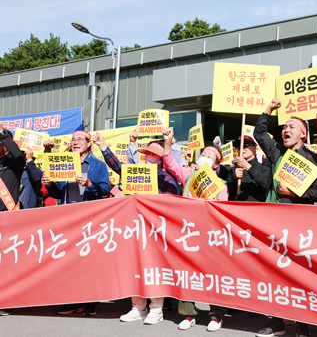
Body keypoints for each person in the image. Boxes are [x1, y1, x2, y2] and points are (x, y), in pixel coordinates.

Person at [254, 99, 317, 337]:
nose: (286, 130)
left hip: (297, 226)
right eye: (284, 127)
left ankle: (301, 325)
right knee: (273, 274)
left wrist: (296, 192)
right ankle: (276, 321)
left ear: (303, 135)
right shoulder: (277, 152)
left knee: (298, 276)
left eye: (292, 127)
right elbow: (259, 132)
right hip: (272, 221)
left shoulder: (312, 159)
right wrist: (269, 110)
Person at [91, 133, 176, 324]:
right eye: (145, 153)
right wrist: (104, 146)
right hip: (134, 228)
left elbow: (171, 203)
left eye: (151, 154)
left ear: (161, 160)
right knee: (134, 268)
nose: (147, 157)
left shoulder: (167, 179)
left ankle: (156, 308)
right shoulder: (135, 172)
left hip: (154, 231)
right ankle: (137, 306)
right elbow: (117, 166)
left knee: (153, 269)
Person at [162, 127, 228, 332]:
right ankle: (188, 313)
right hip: (188, 232)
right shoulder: (188, 175)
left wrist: (212, 204)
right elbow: (170, 163)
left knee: (213, 274)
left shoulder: (221, 184)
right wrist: (168, 142)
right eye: (204, 154)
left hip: (210, 234)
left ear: (216, 165)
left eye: (210, 156)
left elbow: (224, 211)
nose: (205, 157)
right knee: (187, 272)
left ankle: (216, 316)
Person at [41, 130, 110, 316]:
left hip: (89, 220)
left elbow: (105, 190)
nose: (75, 142)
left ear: (89, 144)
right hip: (67, 219)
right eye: (73, 139)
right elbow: (57, 192)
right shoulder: (65, 162)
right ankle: (72, 300)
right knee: (68, 261)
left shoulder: (97, 165)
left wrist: (89, 184)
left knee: (89, 262)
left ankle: (90, 302)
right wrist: (49, 184)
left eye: (80, 139)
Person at [0, 125, 26, 316]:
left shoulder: (14, 161)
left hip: (8, 216)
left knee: (7, 262)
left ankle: (8, 301)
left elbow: (18, 155)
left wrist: (2, 133)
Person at [225, 135, 271, 202]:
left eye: (245, 146)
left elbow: (266, 185)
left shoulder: (264, 168)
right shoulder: (233, 170)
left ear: (254, 148)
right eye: (239, 147)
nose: (242, 149)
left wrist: (247, 167)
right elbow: (224, 190)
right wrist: (233, 177)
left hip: (255, 209)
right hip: (235, 209)